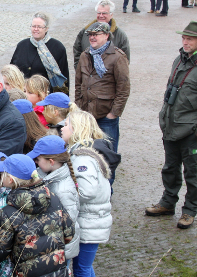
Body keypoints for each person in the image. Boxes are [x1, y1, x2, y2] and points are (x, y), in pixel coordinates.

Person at [145, 21, 197, 229]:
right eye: (184, 38)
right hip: (171, 127)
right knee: (170, 168)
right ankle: (168, 203)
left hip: (190, 132)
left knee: (191, 172)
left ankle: (190, 210)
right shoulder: (179, 60)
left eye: (190, 38)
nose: (185, 42)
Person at [0, 154, 75, 277]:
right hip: (57, 271)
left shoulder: (8, 211)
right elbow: (69, 233)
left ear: (10, 180)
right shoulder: (52, 197)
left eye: (3, 174)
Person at [61, 111, 112, 277]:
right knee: (84, 267)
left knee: (81, 269)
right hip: (90, 221)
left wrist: (64, 193)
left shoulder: (82, 159)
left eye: (67, 124)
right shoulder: (83, 153)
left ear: (76, 129)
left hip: (88, 223)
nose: (62, 127)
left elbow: (87, 191)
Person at [74, 22, 130, 153]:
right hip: (86, 115)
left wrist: (114, 113)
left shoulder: (117, 57)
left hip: (106, 116)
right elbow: (78, 84)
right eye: (90, 35)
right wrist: (78, 105)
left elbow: (124, 88)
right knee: (86, 152)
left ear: (106, 35)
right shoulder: (85, 55)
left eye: (96, 35)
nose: (92, 37)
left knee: (107, 154)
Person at [27, 135, 80, 260]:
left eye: (38, 159)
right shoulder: (47, 174)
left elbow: (68, 226)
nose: (35, 162)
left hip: (59, 251)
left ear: (51, 161)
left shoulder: (63, 190)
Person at [10, 12, 69, 92]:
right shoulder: (22, 45)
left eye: (39, 27)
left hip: (45, 96)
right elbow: (12, 71)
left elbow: (63, 78)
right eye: (34, 26)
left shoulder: (58, 48)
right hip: (22, 96)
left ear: (46, 28)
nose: (36, 29)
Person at [73, 0, 130, 69]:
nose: (101, 16)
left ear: (111, 14)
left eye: (104, 13)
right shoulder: (85, 32)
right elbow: (77, 52)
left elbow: (125, 61)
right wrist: (81, 71)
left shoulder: (120, 35)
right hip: (88, 77)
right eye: (99, 13)